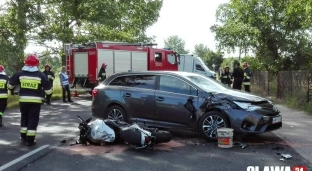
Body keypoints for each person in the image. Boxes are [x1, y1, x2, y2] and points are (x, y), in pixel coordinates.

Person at [7, 54, 52, 146]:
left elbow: (9, 85)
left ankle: (23, 137)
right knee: (33, 119)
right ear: (37, 63)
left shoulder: (19, 74)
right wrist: (47, 95)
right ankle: (30, 140)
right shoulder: (41, 75)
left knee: (24, 118)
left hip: (23, 100)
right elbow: (48, 90)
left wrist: (15, 88)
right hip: (36, 101)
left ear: (25, 63)